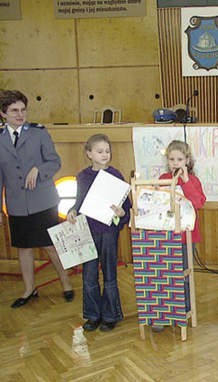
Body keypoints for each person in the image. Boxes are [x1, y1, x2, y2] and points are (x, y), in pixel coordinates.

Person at [0, 90, 73, 308]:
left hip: (43, 200)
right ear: (3, 113)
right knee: (24, 247)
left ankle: (66, 283)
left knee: (50, 245)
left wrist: (38, 170)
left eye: (23, 109)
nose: (20, 114)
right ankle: (29, 289)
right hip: (16, 204)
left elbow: (54, 162)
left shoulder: (39, 133)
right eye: (14, 111)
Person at [67, 134, 131, 332]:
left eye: (107, 151)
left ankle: (111, 315)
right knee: (89, 275)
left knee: (110, 274)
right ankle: (93, 315)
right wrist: (72, 211)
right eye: (100, 151)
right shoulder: (82, 176)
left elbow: (125, 207)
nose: (105, 155)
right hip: (88, 230)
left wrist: (122, 213)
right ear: (89, 153)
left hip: (108, 232)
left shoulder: (116, 175)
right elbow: (79, 202)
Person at [152, 140, 206, 332]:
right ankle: (164, 312)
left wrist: (185, 181)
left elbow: (198, 203)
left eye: (180, 159)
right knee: (165, 274)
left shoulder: (193, 180)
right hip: (166, 235)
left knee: (184, 274)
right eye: (172, 159)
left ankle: (183, 310)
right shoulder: (163, 178)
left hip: (185, 237)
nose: (175, 163)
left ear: (187, 160)